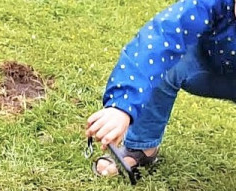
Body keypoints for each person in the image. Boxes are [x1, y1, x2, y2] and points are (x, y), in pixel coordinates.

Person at [86, 0, 236, 176]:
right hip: (208, 64)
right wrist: (122, 105)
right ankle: (142, 147)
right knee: (164, 64)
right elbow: (161, 38)